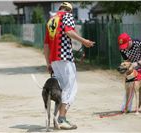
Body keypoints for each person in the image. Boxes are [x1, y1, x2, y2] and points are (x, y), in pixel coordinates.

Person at [44, 2, 95, 130]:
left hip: (54, 60)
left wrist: (48, 63)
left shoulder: (51, 20)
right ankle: (61, 119)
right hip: (65, 57)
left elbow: (46, 45)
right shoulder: (67, 16)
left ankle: (59, 118)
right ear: (69, 10)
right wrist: (84, 41)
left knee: (64, 89)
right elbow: (69, 31)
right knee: (71, 88)